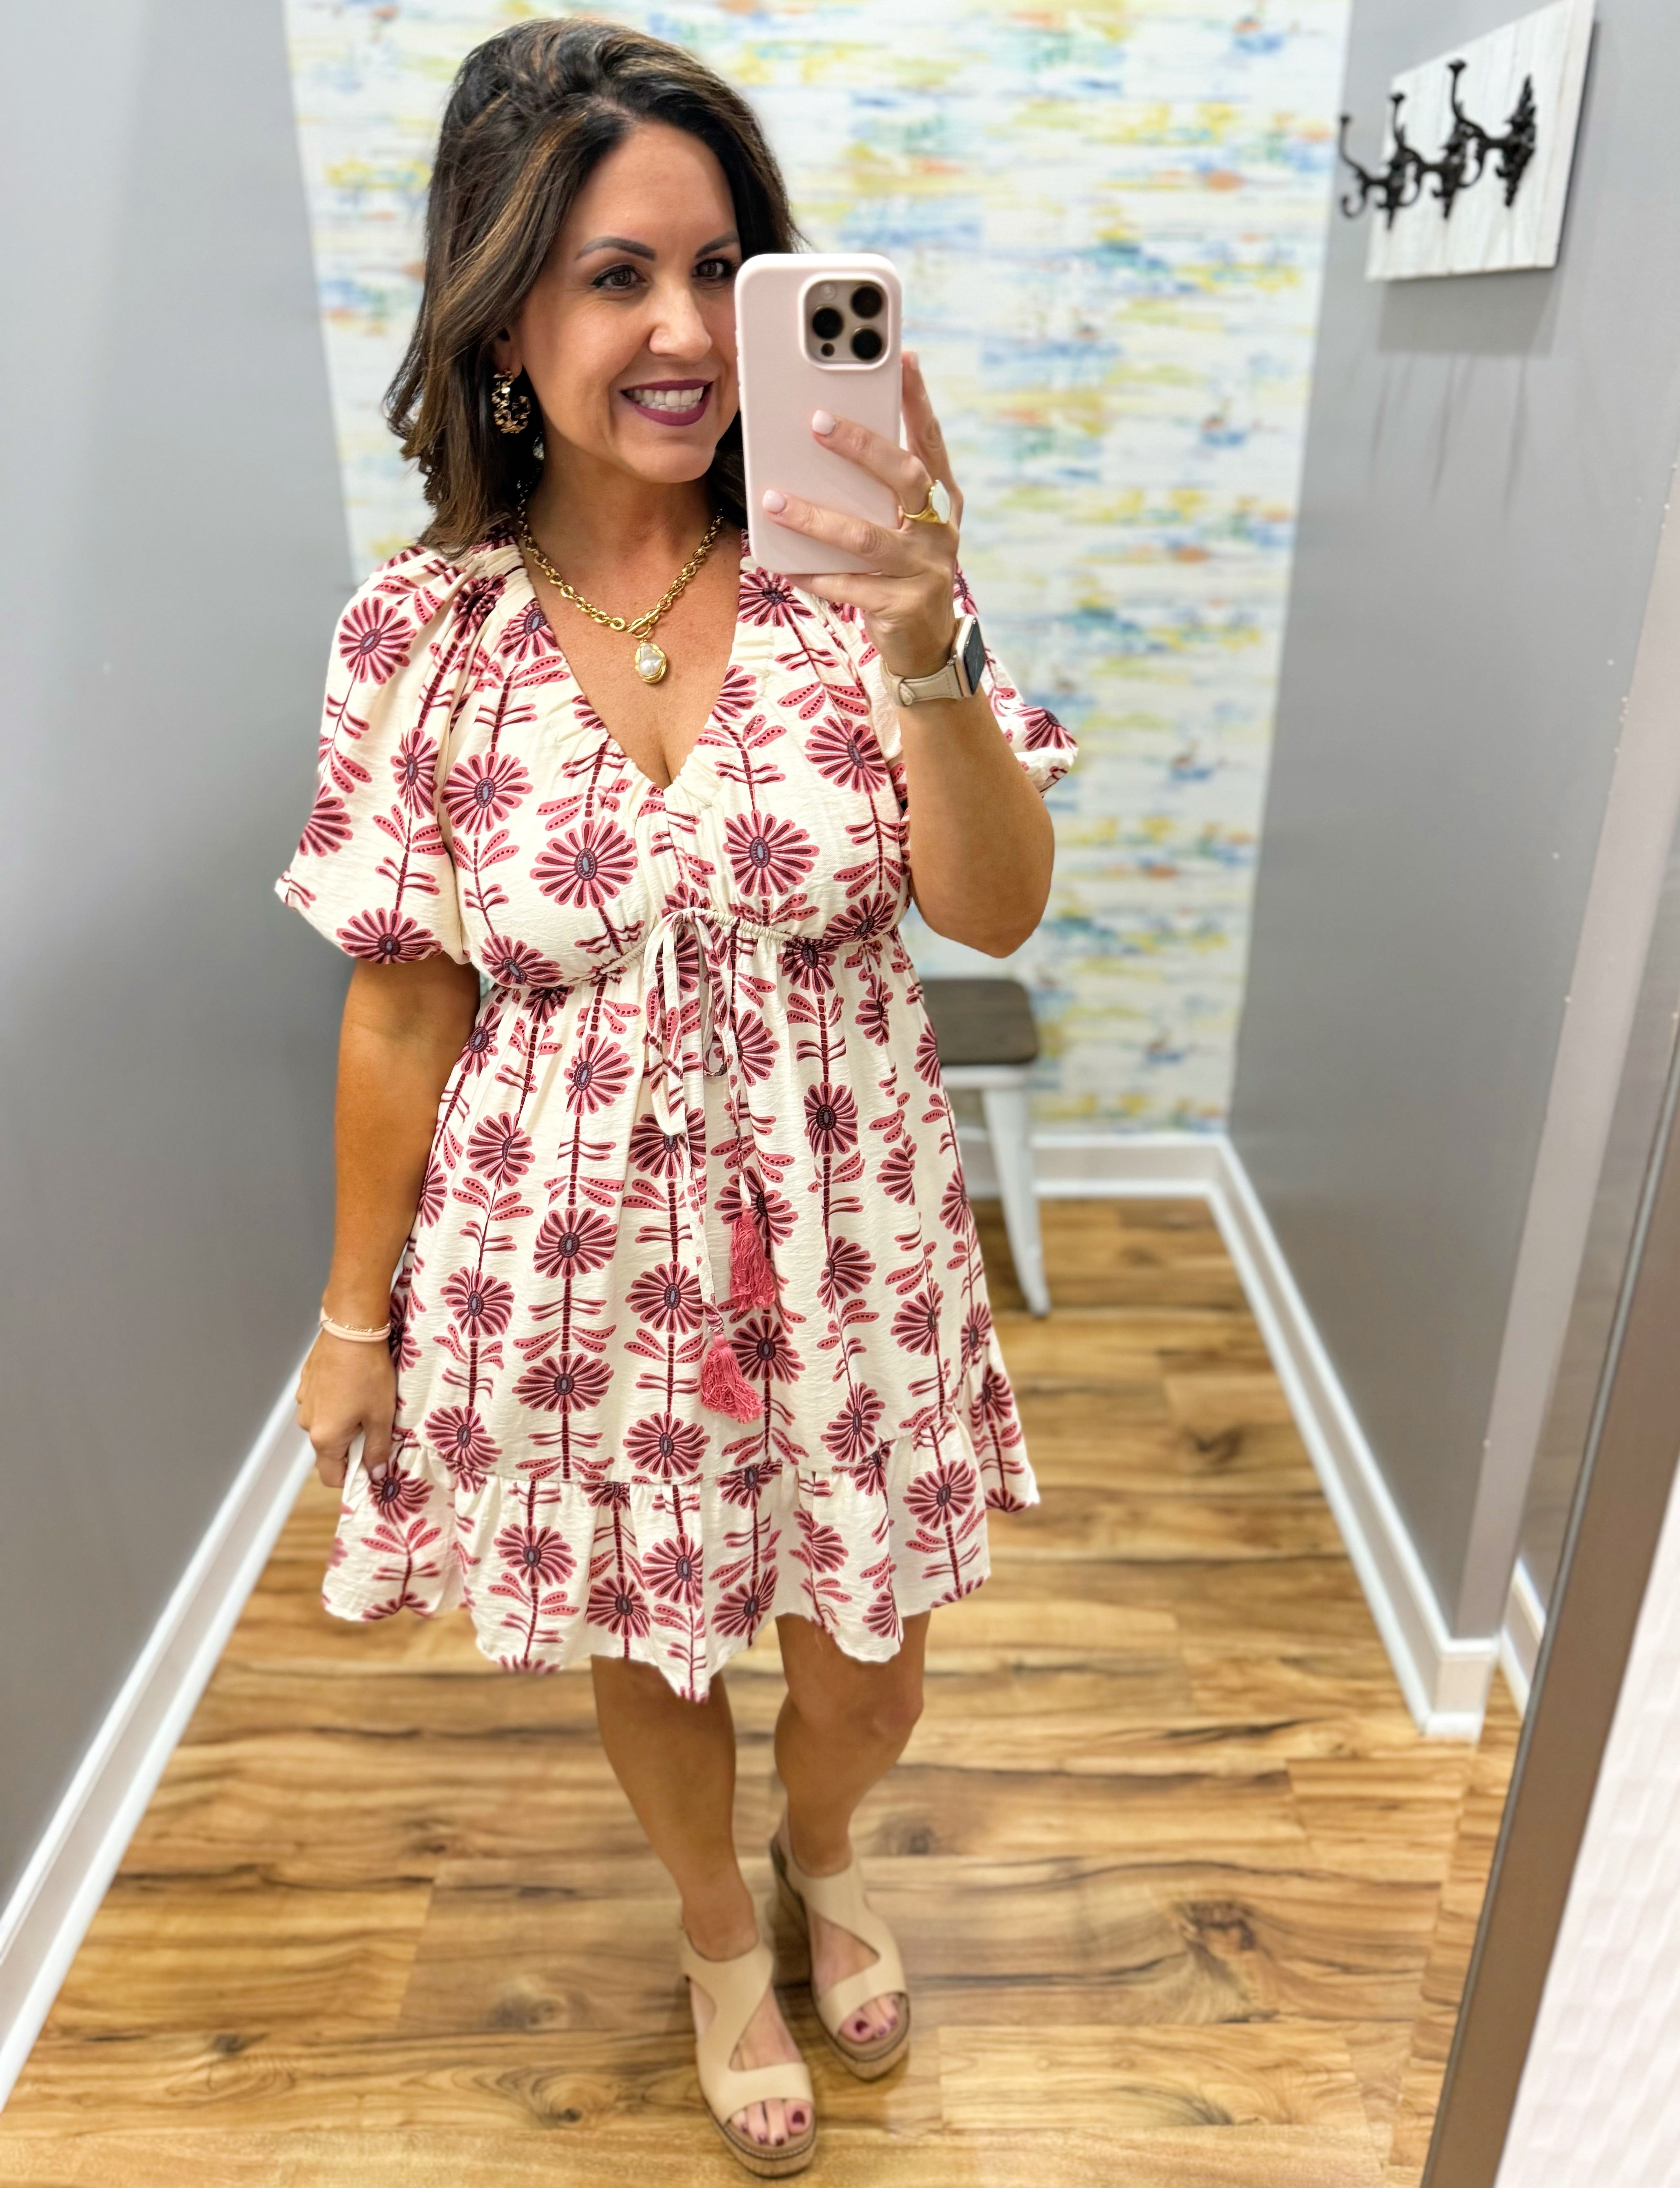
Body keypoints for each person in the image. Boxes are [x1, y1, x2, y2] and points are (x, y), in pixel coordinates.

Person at [281, 16, 1075, 2177]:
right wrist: (352, 1321)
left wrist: (924, 654)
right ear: (505, 316)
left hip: (855, 1234)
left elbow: (996, 915)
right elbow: (398, 1007)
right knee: (649, 1639)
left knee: (866, 1671)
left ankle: (830, 1852)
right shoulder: (416, 640)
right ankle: (723, 1932)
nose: (681, 331)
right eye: (617, 274)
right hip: (566, 1242)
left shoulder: (860, 584)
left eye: (717, 273)